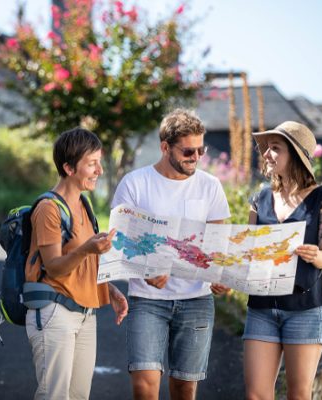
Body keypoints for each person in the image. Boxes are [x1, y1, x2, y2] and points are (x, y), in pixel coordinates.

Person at [111, 109, 231, 400]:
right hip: (147, 300)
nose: (197, 157)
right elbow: (120, 242)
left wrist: (222, 276)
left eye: (201, 149)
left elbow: (219, 246)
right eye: (189, 150)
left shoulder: (210, 186)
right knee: (144, 384)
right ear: (165, 147)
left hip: (196, 301)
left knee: (184, 388)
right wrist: (146, 270)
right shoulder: (135, 183)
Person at [25, 127, 128, 400]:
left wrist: (111, 291)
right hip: (53, 311)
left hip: (85, 314)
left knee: (79, 396)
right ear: (69, 168)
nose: (99, 171)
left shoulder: (83, 204)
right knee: (54, 395)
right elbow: (55, 267)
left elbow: (87, 263)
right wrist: (85, 249)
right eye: (92, 164)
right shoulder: (49, 208)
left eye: (99, 162)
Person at [243, 121, 322, 400]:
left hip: (305, 309)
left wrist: (316, 255)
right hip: (262, 307)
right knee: (256, 395)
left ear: (296, 155)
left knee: (298, 395)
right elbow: (249, 252)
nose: (266, 154)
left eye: (275, 148)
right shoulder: (259, 199)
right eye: (266, 148)